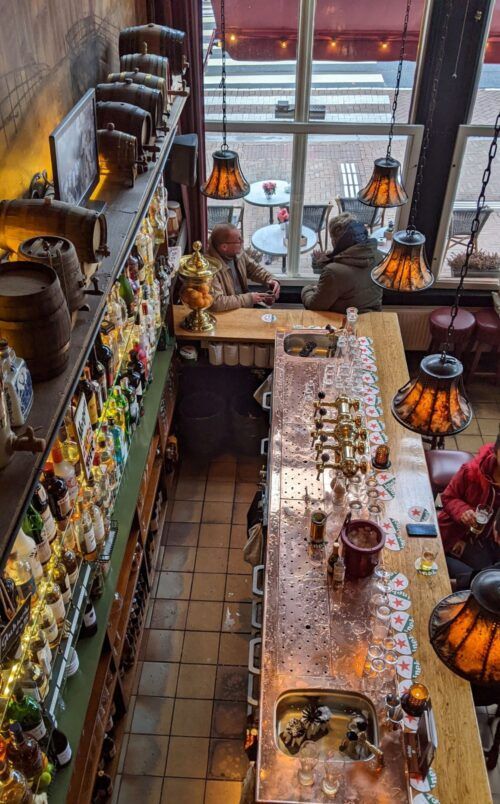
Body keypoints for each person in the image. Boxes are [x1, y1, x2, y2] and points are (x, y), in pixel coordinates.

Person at [439, 434, 500, 586]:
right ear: (495, 450)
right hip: (454, 534)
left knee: (489, 578)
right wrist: (463, 511)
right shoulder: (472, 471)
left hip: (485, 542)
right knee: (482, 581)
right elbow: (448, 497)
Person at [301, 213, 384, 314]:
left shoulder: (333, 272)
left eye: (332, 238)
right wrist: (324, 261)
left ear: (336, 241)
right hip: (373, 319)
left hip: (344, 323)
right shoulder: (378, 256)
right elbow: (352, 272)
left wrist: (308, 288)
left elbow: (314, 306)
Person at [208, 223, 280, 312]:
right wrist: (249, 298)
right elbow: (216, 303)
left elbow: (254, 269)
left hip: (242, 304)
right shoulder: (209, 269)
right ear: (224, 247)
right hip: (227, 312)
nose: (242, 242)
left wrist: (270, 279)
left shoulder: (237, 253)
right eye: (238, 241)